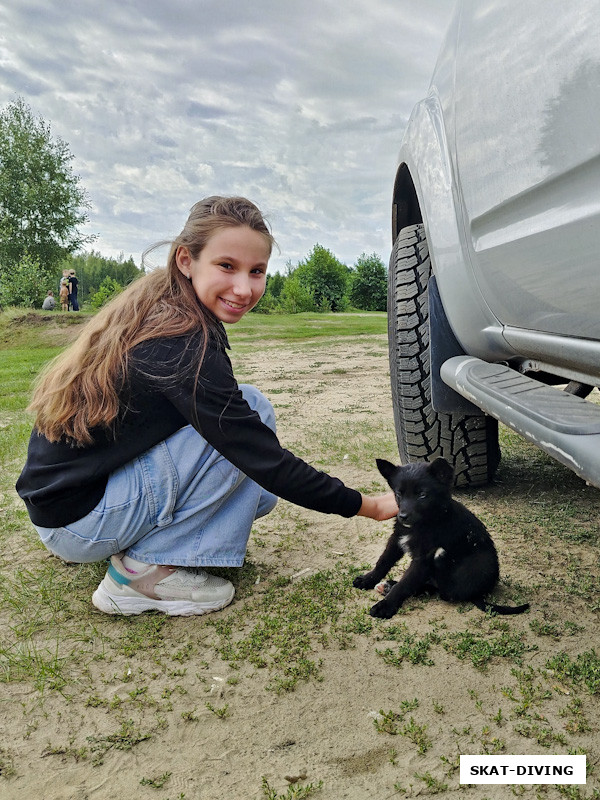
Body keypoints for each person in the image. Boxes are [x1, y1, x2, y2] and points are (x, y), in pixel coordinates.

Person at [16, 196, 398, 617]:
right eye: (227, 266)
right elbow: (260, 457)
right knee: (248, 435)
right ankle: (139, 578)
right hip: (78, 523)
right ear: (186, 260)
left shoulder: (163, 308)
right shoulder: (182, 343)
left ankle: (141, 541)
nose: (244, 288)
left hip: (65, 510)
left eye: (257, 272)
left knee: (254, 469)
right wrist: (369, 505)